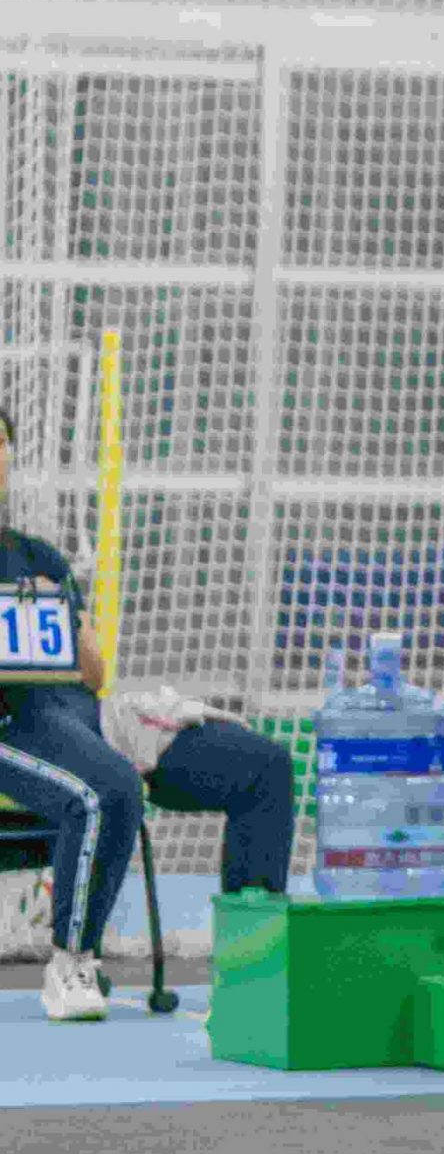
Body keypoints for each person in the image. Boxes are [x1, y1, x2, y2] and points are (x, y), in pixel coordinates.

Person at [0, 401, 299, 1024]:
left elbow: (94, 675)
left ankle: (252, 971)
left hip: (85, 717)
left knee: (261, 769)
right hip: (13, 726)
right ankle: (71, 963)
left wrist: (79, 637)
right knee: (107, 788)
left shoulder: (40, 559)